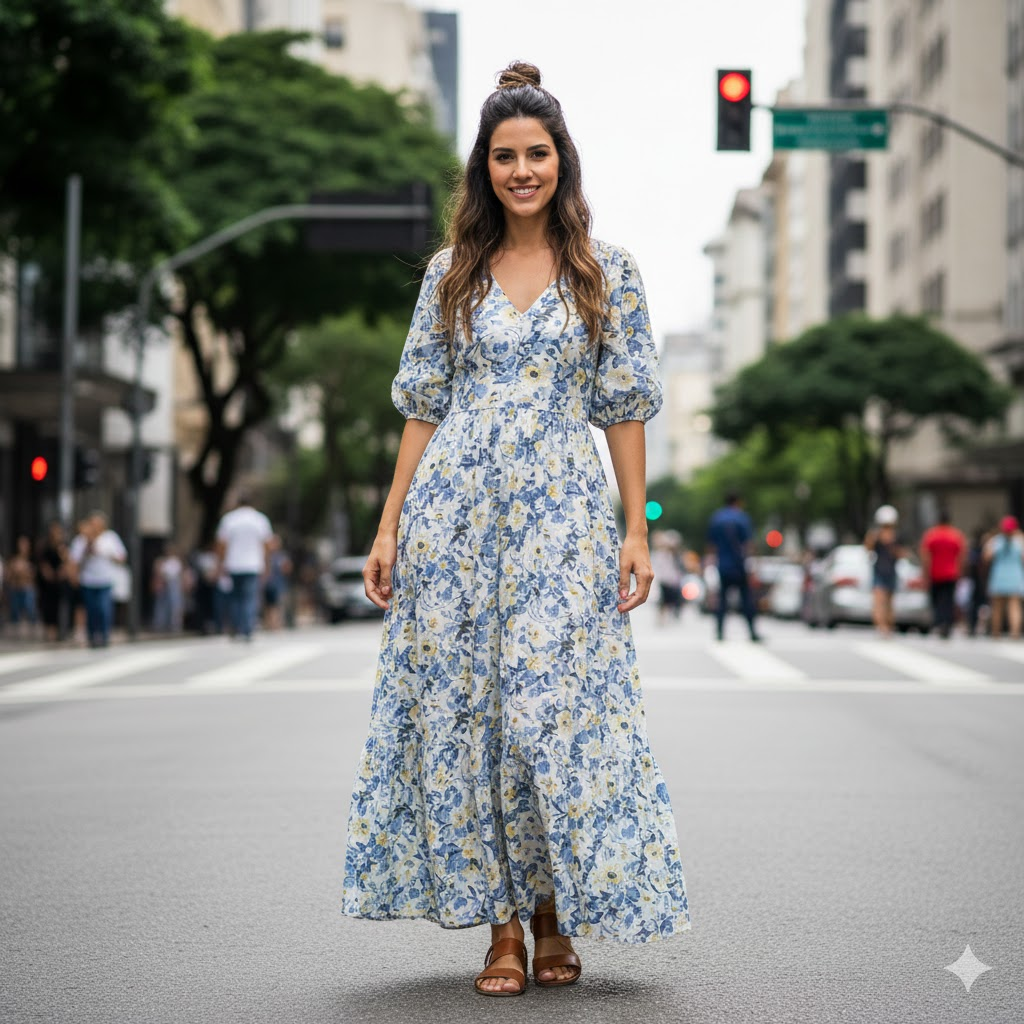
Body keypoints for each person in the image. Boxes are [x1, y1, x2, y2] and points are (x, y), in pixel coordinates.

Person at [342, 62, 690, 996]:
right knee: (478, 721)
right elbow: (423, 405)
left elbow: (625, 407)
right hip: (454, 518)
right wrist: (389, 526)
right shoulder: (450, 274)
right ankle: (502, 929)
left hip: (563, 519)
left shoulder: (607, 271)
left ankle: (554, 914)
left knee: (554, 715)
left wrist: (636, 531)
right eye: (505, 156)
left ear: (561, 160)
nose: (522, 170)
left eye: (537, 153)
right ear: (484, 168)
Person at [215, 493, 273, 642]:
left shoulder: (229, 519)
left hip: (234, 564)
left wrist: (220, 563)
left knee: (235, 597)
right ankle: (247, 629)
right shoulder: (260, 519)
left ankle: (237, 628)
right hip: (253, 564)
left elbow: (221, 544)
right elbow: (267, 545)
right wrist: (267, 564)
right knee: (249, 597)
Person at [706, 492, 761, 642]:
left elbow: (711, 545)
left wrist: (711, 563)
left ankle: (719, 632)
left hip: (723, 565)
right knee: (746, 599)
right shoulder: (742, 518)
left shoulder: (717, 518)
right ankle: (752, 632)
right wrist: (753, 565)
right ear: (738, 502)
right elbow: (748, 544)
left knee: (722, 600)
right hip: (739, 565)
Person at [67, 511, 127, 648]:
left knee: (104, 609)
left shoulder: (110, 538)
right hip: (88, 580)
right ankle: (92, 637)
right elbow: (74, 560)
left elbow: (122, 558)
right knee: (91, 610)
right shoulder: (81, 539)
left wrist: (108, 555)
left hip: (105, 580)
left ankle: (104, 636)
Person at [919, 509, 966, 639]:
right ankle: (947, 624)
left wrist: (925, 573)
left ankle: (939, 623)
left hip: (935, 573)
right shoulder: (956, 535)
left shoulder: (931, 535)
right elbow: (962, 556)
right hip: (951, 573)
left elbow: (925, 556)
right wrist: (960, 571)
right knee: (949, 600)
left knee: (936, 600)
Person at [864, 504, 905, 638]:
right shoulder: (875, 535)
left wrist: (892, 545)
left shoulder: (897, 537)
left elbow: (902, 554)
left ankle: (888, 625)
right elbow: (867, 549)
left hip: (891, 571)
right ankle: (881, 626)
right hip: (879, 571)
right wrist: (873, 538)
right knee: (879, 600)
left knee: (889, 602)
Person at [983, 515, 1024, 640]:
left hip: (999, 575)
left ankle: (996, 632)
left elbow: (986, 557)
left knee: (998, 607)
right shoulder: (1020, 540)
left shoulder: (996, 540)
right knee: (1014, 606)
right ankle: (1014, 633)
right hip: (1014, 575)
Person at [37, 522, 69, 642]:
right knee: (48, 607)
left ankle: (60, 631)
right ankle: (49, 631)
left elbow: (67, 562)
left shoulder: (63, 547)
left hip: (60, 583)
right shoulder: (45, 546)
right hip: (48, 583)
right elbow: (42, 564)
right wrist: (48, 573)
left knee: (60, 607)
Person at [5, 535, 39, 638]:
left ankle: (32, 631)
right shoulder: (14, 560)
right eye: (21, 544)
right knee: (15, 611)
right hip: (16, 588)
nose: (23, 547)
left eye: (25, 545)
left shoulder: (32, 560)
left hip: (27, 588)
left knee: (30, 610)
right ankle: (16, 632)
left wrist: (22, 572)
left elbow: (32, 576)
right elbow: (9, 575)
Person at [151, 543, 187, 632]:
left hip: (174, 584)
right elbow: (157, 572)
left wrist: (182, 585)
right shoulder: (161, 560)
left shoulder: (177, 561)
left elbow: (181, 575)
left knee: (176, 605)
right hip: (164, 583)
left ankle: (175, 625)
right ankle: (160, 624)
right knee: (162, 605)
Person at [651, 531, 684, 623]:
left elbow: (677, 568)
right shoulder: (659, 554)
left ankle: (670, 615)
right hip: (664, 581)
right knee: (663, 600)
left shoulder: (674, 555)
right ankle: (662, 617)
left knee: (671, 599)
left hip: (672, 581)